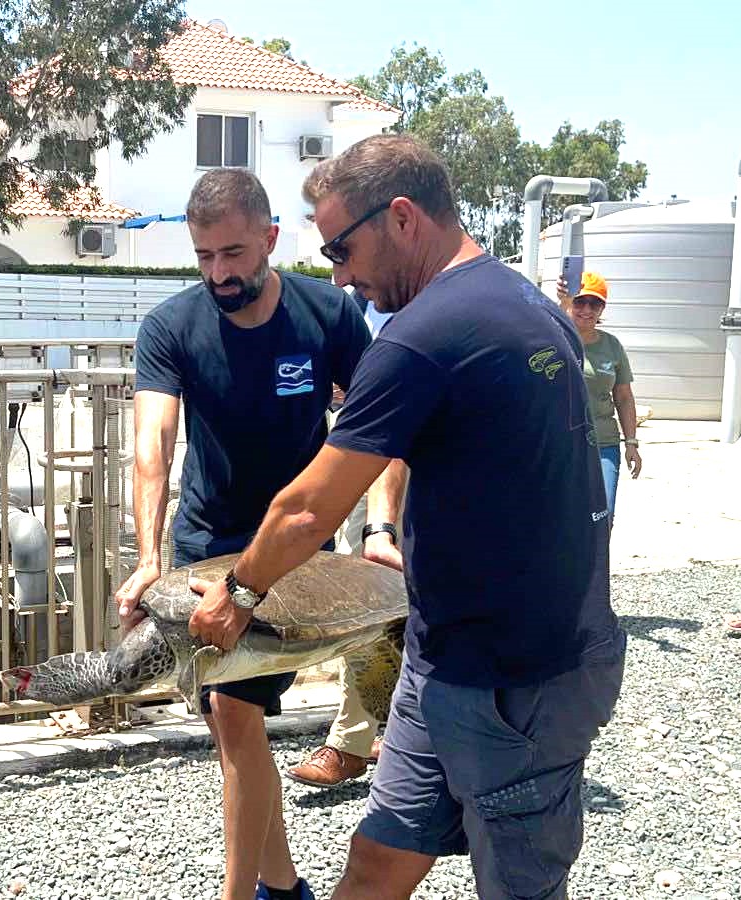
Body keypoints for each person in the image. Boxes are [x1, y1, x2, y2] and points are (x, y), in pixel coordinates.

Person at [188, 134, 626, 900]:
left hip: (516, 679)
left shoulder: (425, 337)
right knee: (377, 864)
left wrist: (241, 593)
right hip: (445, 658)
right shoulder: (523, 302)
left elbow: (305, 507)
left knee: (519, 887)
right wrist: (391, 536)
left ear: (400, 218)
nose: (342, 277)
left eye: (342, 251)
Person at [115, 167, 402, 900]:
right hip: (204, 550)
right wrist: (148, 558)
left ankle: (245, 896)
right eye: (205, 256)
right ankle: (283, 886)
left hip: (296, 557)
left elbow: (384, 429)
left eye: (235, 254)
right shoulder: (170, 327)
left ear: (271, 239)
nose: (219, 272)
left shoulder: (327, 316)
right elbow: (153, 442)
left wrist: (380, 524)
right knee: (232, 723)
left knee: (236, 718)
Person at [286, 292, 405, 788]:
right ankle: (352, 742)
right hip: (367, 459)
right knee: (368, 606)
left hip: (439, 466)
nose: (339, 269)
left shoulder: (448, 297)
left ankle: (410, 740)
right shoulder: (354, 304)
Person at [556, 271, 643, 524]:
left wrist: (631, 443)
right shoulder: (554, 338)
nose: (586, 309)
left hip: (603, 443)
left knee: (603, 515)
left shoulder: (612, 346)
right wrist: (562, 304)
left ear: (602, 308)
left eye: (594, 303)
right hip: (562, 444)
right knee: (562, 516)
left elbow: (624, 398)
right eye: (580, 301)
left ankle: (595, 564)